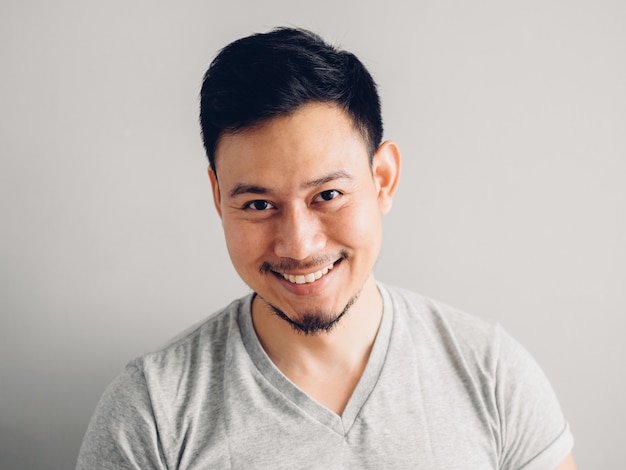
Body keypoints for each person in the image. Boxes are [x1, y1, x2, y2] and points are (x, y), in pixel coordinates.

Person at [77, 27, 576, 469]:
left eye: (328, 196)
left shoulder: (492, 373)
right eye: (257, 204)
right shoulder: (151, 412)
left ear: (382, 179)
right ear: (217, 198)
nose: (298, 244)